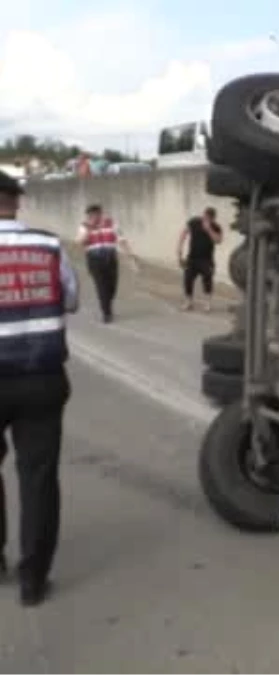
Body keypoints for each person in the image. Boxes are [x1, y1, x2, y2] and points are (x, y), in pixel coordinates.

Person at [0, 169, 79, 606]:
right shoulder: (48, 245)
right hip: (41, 377)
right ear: (18, 202)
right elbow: (70, 299)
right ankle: (33, 580)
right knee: (38, 477)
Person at [75, 204, 134, 323]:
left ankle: (107, 303)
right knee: (101, 286)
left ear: (101, 213)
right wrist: (89, 230)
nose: (93, 217)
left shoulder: (111, 224)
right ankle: (106, 313)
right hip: (95, 259)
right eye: (90, 215)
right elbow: (80, 242)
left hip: (110, 258)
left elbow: (121, 239)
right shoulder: (84, 227)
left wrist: (129, 253)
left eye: (96, 214)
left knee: (112, 286)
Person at [177, 207, 224, 312]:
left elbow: (218, 241)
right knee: (188, 279)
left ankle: (207, 303)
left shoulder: (216, 227)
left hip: (206, 259)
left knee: (207, 279)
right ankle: (189, 302)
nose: (206, 219)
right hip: (192, 257)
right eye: (205, 217)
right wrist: (179, 249)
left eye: (209, 218)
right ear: (203, 215)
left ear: (213, 219)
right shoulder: (194, 222)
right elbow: (184, 233)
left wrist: (209, 230)